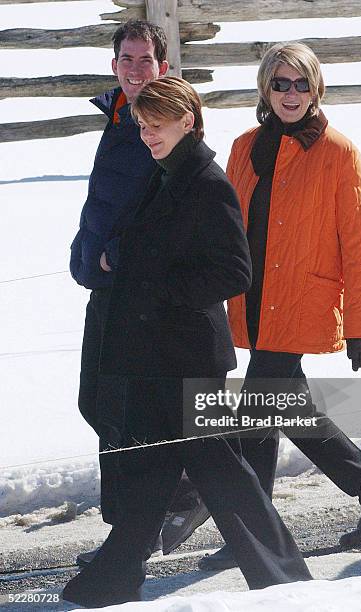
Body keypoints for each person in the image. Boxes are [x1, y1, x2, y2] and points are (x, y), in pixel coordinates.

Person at [62, 76, 313, 608]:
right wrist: (119, 256)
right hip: (158, 353)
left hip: (188, 355)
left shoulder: (207, 183)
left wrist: (155, 284)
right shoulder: (165, 175)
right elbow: (157, 243)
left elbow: (233, 272)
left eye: (155, 126)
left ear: (186, 122)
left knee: (219, 468)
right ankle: (115, 576)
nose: (147, 135)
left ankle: (286, 579)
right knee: (154, 469)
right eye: (141, 126)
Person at [197, 42, 361, 570]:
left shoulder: (339, 152)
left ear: (316, 88)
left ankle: (252, 531)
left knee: (255, 410)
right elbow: (226, 229)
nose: (290, 94)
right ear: (265, 90)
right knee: (280, 407)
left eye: (301, 83)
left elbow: (359, 246)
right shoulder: (245, 146)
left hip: (302, 300)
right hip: (252, 298)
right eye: (280, 83)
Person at [69, 19, 206, 565]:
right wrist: (84, 251)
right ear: (113, 66)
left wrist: (121, 256)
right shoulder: (119, 118)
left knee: (124, 413)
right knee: (97, 403)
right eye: (125, 59)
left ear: (163, 67)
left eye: (144, 60)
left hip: (138, 296)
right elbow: (108, 201)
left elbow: (175, 210)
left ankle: (133, 530)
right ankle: (178, 498)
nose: (133, 69)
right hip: (104, 287)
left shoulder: (163, 124)